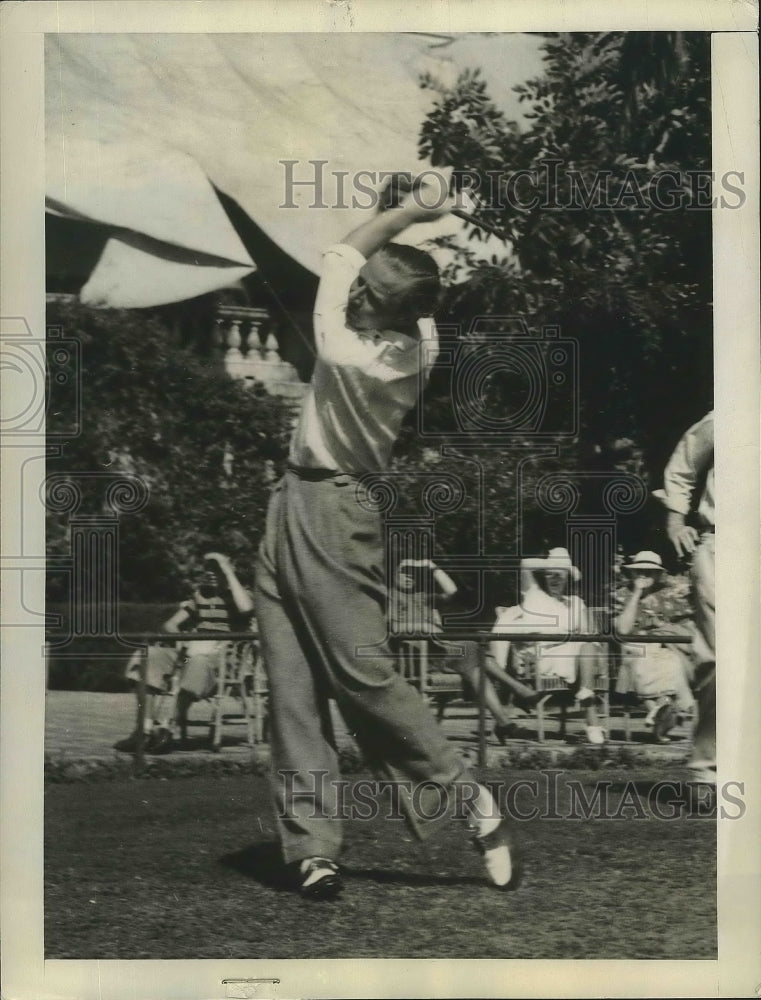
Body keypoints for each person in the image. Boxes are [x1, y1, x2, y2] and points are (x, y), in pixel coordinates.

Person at [254, 173, 519, 900]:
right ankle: (313, 849)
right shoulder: (417, 340)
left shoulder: (349, 348)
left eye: (366, 290)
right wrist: (415, 225)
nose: (355, 291)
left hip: (333, 512)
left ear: (373, 305)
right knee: (293, 691)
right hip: (290, 505)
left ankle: (471, 801)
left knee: (362, 675)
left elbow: (344, 256)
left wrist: (408, 211)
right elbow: (389, 274)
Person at [115, 552, 254, 754]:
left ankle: (166, 727)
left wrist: (227, 570)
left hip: (222, 660)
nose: (212, 572)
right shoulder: (200, 596)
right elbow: (170, 624)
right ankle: (143, 731)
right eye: (209, 567)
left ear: (229, 568)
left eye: (217, 567)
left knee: (198, 661)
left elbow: (247, 608)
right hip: (192, 650)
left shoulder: (241, 594)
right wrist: (183, 639)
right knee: (148, 655)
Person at [387, 558, 537, 743]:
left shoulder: (422, 596)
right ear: (394, 574)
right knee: (474, 648)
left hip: (440, 653)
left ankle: (505, 722)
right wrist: (424, 627)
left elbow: (452, 591)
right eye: (404, 572)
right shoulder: (390, 596)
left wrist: (433, 567)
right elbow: (393, 628)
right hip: (415, 659)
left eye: (413, 573)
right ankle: (519, 692)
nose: (409, 576)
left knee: (476, 658)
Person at [653, 411, 715, 782]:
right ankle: (708, 771)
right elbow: (685, 461)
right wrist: (675, 520)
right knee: (718, 659)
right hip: (724, 541)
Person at [491, 548, 607, 745]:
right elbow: (525, 564)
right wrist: (558, 565)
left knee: (587, 643)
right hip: (540, 657)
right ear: (543, 575)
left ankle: (586, 697)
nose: (554, 578)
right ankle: (591, 719)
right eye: (549, 573)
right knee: (584, 646)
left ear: (568, 577)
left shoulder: (576, 603)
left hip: (573, 655)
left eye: (560, 574)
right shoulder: (533, 595)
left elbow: (591, 633)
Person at [612, 550, 696, 743]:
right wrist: (637, 594)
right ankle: (662, 709)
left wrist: (663, 627)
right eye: (639, 571)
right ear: (632, 573)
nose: (643, 575)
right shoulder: (622, 595)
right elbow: (623, 630)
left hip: (664, 651)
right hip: (634, 650)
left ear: (658, 574)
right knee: (643, 657)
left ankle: (657, 712)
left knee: (670, 660)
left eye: (649, 572)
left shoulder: (669, 595)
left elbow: (688, 628)